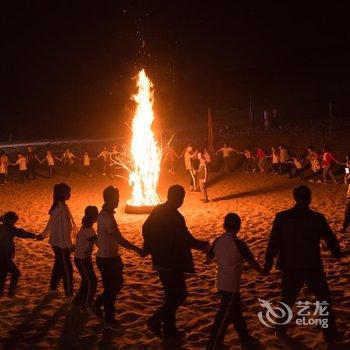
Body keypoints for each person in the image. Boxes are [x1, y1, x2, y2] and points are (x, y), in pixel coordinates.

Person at [263, 186, 341, 342]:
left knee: (287, 298)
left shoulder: (282, 217)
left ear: (294, 198)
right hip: (312, 264)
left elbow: (273, 243)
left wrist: (268, 262)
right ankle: (329, 332)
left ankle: (280, 329)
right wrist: (337, 253)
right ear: (309, 198)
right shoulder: (317, 218)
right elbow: (330, 239)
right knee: (323, 298)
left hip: (291, 264)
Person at [142, 185, 209, 338]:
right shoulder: (176, 217)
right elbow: (186, 240)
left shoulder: (157, 209)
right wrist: (203, 245)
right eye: (182, 197)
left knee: (170, 295)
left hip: (159, 259)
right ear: (179, 198)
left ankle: (169, 329)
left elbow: (145, 227)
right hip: (171, 262)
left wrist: (149, 245)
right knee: (180, 295)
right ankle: (155, 320)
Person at [206, 213, 262, 349]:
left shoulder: (218, 240)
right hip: (230, 285)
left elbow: (208, 260)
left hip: (220, 281)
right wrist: (263, 271)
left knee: (236, 311)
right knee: (224, 315)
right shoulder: (238, 244)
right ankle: (213, 344)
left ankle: (244, 338)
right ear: (238, 227)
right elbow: (252, 261)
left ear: (224, 226)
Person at [92, 186, 143, 330]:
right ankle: (109, 318)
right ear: (111, 199)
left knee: (115, 286)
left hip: (110, 257)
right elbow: (120, 239)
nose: (119, 200)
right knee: (112, 288)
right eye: (117, 197)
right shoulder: (107, 217)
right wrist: (137, 249)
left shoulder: (105, 214)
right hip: (107, 259)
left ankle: (97, 306)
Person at [39, 183, 77, 300]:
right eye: (68, 192)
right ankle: (69, 294)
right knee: (67, 269)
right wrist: (69, 245)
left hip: (56, 242)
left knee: (58, 265)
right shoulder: (61, 209)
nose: (70, 194)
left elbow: (50, 224)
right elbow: (65, 229)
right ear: (62, 194)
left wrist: (43, 235)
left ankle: (53, 288)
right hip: (61, 244)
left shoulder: (57, 207)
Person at [0, 212, 40, 297]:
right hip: (4, 257)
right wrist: (34, 236)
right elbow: (22, 233)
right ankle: (11, 293)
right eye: (14, 221)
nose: (14, 223)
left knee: (3, 274)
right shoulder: (10, 228)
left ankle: (3, 293)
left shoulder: (2, 227)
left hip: (3, 256)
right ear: (10, 220)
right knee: (16, 273)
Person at [73, 206, 99, 311]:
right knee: (92, 282)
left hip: (80, 258)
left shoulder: (86, 228)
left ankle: (77, 301)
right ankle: (87, 305)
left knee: (85, 280)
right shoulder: (89, 231)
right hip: (83, 259)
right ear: (93, 217)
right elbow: (97, 242)